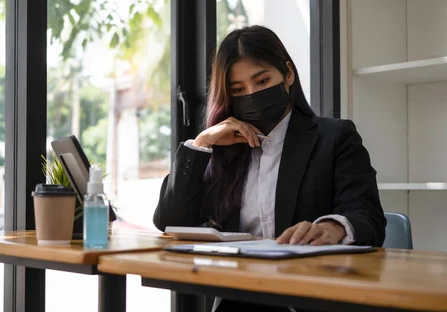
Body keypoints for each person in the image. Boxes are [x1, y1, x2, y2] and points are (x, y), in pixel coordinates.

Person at [153, 25, 385, 312]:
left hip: (310, 295)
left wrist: (332, 227)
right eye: (238, 90)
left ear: (287, 74)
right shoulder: (224, 150)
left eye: (262, 81)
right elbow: (169, 220)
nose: (251, 95)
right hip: (240, 297)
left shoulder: (335, 137)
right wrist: (201, 144)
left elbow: (369, 217)